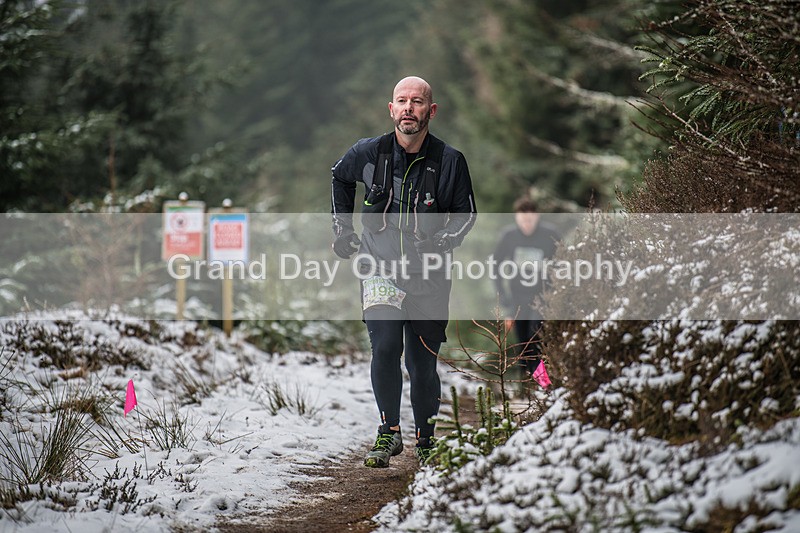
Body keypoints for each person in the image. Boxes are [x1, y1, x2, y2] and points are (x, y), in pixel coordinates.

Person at [330, 76, 476, 467]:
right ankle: (388, 433)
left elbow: (467, 214)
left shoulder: (449, 161)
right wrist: (342, 229)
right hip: (379, 269)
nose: (409, 107)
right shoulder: (367, 153)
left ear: (431, 110)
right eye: (402, 100)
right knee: (385, 347)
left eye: (417, 101)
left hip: (429, 275)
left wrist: (445, 240)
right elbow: (340, 178)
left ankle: (426, 439)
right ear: (391, 109)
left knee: (421, 362)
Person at [493, 196, 559, 382]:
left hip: (542, 297)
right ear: (516, 218)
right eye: (522, 220)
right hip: (517, 298)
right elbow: (495, 266)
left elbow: (563, 262)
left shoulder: (550, 234)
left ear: (537, 217)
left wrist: (556, 292)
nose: (526, 225)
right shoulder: (509, 236)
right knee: (523, 343)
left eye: (529, 220)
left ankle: (543, 383)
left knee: (535, 337)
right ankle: (528, 386)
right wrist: (504, 299)